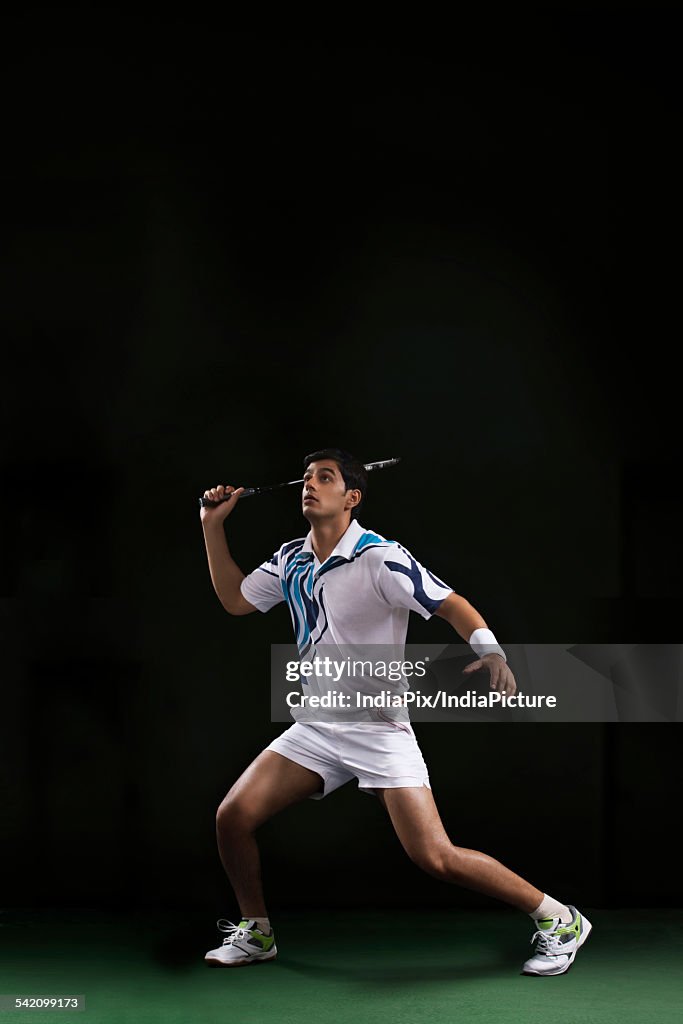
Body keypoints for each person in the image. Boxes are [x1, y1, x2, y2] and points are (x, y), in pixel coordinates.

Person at [200, 448, 592, 976]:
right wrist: (211, 526)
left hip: (379, 729)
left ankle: (560, 918)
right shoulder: (290, 558)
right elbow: (236, 601)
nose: (309, 485)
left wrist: (491, 651)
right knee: (233, 817)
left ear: (352, 497)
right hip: (319, 723)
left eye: (325, 477)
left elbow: (448, 602)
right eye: (307, 477)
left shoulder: (380, 557)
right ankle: (256, 932)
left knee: (436, 858)